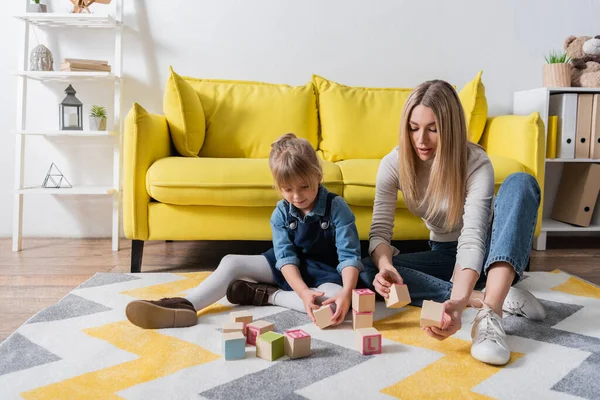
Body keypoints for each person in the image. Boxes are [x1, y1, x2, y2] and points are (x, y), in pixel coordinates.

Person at [361, 79, 545, 365]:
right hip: (444, 254)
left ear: (451, 129)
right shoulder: (393, 164)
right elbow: (379, 233)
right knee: (366, 269)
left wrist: (456, 305)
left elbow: (472, 239)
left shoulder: (475, 162)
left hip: (490, 254)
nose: (421, 140)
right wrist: (385, 267)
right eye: (413, 128)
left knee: (521, 183)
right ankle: (486, 295)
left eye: (433, 129)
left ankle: (490, 312)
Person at [126, 133, 363, 329]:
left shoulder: (336, 207)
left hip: (327, 271)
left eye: (305, 187)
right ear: (277, 186)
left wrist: (347, 292)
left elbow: (349, 255)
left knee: (332, 309)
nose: (297, 196)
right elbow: (285, 257)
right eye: (287, 189)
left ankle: (267, 295)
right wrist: (301, 291)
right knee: (231, 262)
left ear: (318, 176)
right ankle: (186, 304)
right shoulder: (281, 212)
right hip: (291, 267)